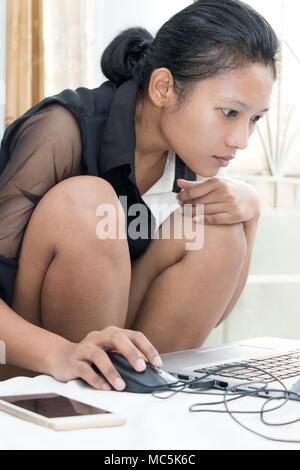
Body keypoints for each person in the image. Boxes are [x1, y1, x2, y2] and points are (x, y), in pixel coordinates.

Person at [0, 0, 278, 390]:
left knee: (215, 229)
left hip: (117, 360)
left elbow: (212, 310)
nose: (241, 140)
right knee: (90, 205)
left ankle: (141, 404)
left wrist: (251, 214)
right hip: (27, 361)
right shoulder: (60, 131)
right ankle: (74, 406)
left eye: (255, 119)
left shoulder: (187, 151)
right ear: (164, 87)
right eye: (230, 112)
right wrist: (61, 353)